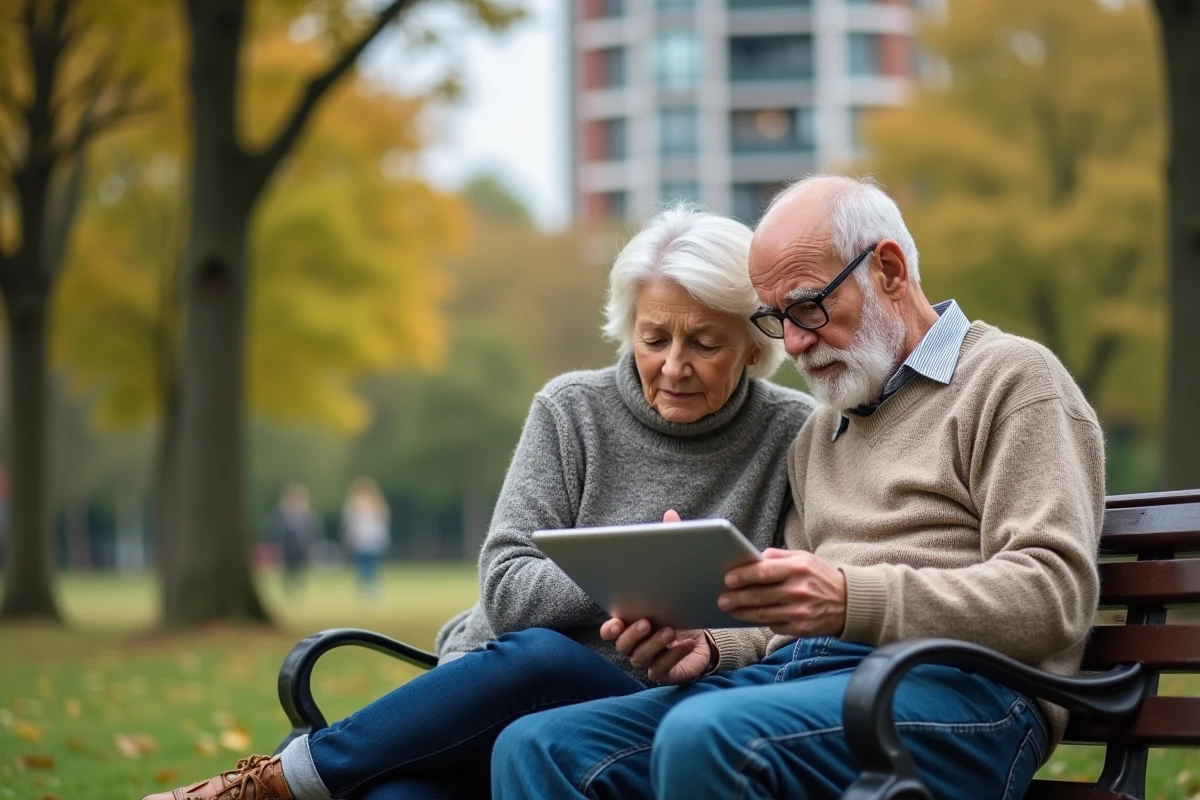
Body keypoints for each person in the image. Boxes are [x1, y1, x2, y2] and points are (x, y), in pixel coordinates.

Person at [142, 205, 815, 800]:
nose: (672, 366)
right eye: (654, 338)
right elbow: (506, 587)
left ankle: (275, 784)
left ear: (754, 349)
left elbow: (793, 615)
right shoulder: (570, 410)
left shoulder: (793, 434)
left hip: (644, 710)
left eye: (704, 343)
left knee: (544, 660)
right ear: (627, 329)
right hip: (490, 701)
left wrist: (711, 639)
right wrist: (637, 576)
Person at [490, 175, 1105, 800]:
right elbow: (781, 619)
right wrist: (709, 645)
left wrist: (849, 600)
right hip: (800, 680)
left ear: (888, 269)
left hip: (961, 691)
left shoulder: (1012, 381)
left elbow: (1055, 592)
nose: (796, 342)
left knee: (707, 732)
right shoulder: (822, 431)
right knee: (540, 747)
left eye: (809, 307)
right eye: (777, 319)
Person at [266, 483, 321, 595]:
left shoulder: (306, 514)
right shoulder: (281, 513)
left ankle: (298, 588)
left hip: (301, 546)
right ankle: (288, 589)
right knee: (287, 568)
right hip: (286, 546)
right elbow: (273, 528)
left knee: (299, 569)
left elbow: (313, 530)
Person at [340, 477, 390, 600]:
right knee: (364, 566)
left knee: (370, 566)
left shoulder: (374, 503)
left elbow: (381, 521)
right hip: (361, 539)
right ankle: (366, 591)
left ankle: (371, 591)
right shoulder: (356, 504)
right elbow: (350, 522)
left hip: (371, 539)